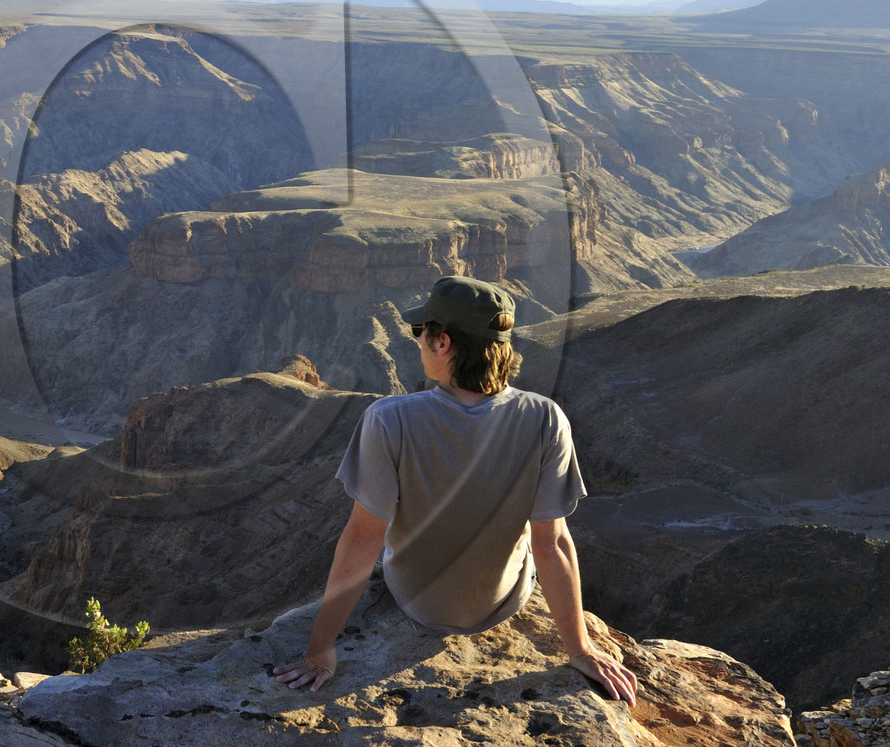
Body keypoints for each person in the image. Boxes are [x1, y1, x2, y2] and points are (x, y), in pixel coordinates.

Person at [273, 275, 637, 706]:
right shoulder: (546, 417)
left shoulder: (388, 418)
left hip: (416, 602)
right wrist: (580, 649)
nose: (416, 340)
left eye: (420, 331)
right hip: (505, 602)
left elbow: (362, 538)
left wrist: (319, 649)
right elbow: (552, 542)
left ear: (443, 343)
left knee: (383, 540)